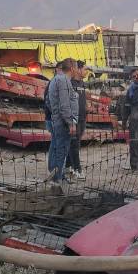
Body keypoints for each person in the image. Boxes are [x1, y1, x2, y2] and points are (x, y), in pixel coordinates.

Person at [44, 58, 82, 186]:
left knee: (58, 149)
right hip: (63, 123)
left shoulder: (56, 80)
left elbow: (48, 101)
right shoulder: (63, 81)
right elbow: (65, 105)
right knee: (61, 151)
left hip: (58, 120)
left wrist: (55, 115)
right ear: (72, 68)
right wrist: (70, 122)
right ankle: (57, 179)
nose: (77, 70)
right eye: (76, 68)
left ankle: (58, 176)